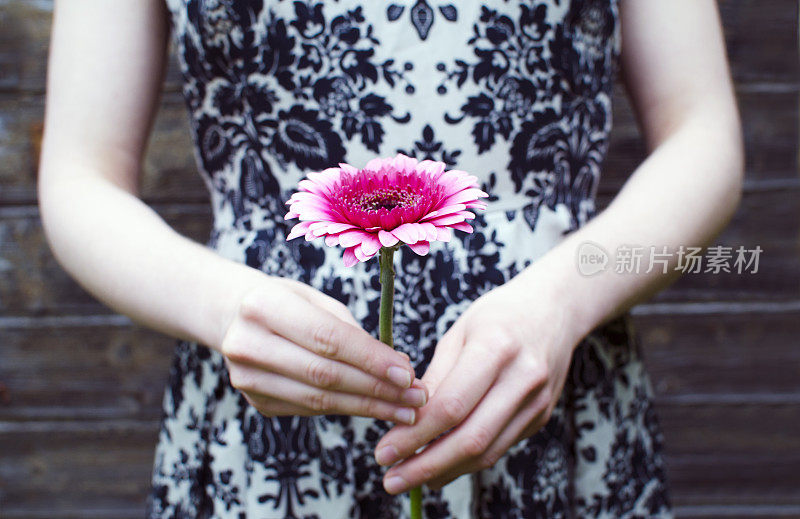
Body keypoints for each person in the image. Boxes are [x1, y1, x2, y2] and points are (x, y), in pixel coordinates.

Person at [38, 0, 742, 517]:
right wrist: (225, 305)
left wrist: (561, 301)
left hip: (553, 392)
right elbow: (79, 177)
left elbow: (703, 133)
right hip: (262, 419)